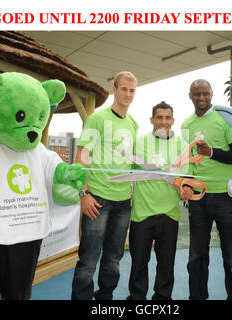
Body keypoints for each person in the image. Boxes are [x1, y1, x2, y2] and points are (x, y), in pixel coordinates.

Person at [71, 71, 139, 300]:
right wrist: (84, 193)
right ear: (115, 89)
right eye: (124, 89)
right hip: (97, 199)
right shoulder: (97, 119)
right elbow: (82, 157)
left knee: (114, 258)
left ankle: (105, 299)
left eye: (132, 90)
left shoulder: (133, 124)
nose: (128, 94)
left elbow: (131, 161)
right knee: (89, 259)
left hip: (123, 203)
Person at [181, 79, 232, 300]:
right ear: (189, 96)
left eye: (205, 93)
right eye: (196, 94)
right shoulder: (186, 124)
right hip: (198, 199)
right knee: (196, 256)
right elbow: (187, 163)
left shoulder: (225, 118)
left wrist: (211, 152)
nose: (201, 98)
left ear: (212, 93)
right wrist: (186, 185)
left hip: (225, 198)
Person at [127, 101, 193, 300]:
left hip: (169, 213)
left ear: (173, 120)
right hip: (141, 213)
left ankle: (162, 299)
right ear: (152, 119)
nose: (163, 122)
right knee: (139, 262)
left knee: (166, 262)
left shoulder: (182, 145)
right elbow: (126, 171)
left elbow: (187, 177)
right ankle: (137, 299)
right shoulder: (138, 142)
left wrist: (188, 187)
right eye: (159, 117)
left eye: (167, 118)